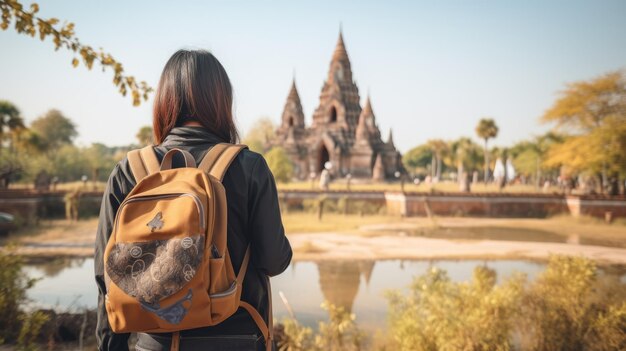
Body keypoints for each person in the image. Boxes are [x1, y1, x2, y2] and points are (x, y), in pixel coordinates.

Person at [94, 49, 292, 351]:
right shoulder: (249, 167)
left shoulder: (129, 172)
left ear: (164, 100)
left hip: (154, 343)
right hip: (236, 339)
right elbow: (274, 261)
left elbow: (106, 277)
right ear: (221, 101)